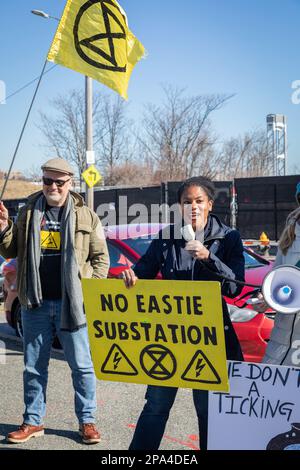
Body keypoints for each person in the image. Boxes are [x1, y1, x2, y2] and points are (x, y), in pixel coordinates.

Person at [122, 176, 245, 450]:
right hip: (171, 336)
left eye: (199, 201)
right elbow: (142, 271)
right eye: (186, 202)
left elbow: (236, 287)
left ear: (210, 204)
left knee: (207, 409)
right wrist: (131, 276)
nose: (193, 207)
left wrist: (208, 257)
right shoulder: (167, 236)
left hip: (210, 338)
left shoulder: (228, 237)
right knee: (156, 404)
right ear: (179, 206)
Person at [0, 158, 110, 444]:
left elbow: (101, 259)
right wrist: (3, 227)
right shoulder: (27, 212)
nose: (52, 187)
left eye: (58, 182)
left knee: (82, 366)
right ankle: (32, 422)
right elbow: (9, 248)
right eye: (47, 181)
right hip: (35, 303)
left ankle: (87, 422)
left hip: (72, 305)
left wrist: (89, 290)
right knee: (34, 367)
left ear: (69, 183)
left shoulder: (87, 216)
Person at [261, 205, 300, 366]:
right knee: (269, 389)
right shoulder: (290, 235)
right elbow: (277, 278)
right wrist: (265, 297)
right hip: (280, 339)